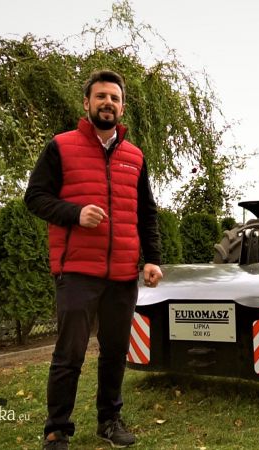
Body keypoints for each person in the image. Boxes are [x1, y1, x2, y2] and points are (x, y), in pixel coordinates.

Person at [25, 69, 163, 449]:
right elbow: (34, 197)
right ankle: (56, 429)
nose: (108, 103)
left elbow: (145, 212)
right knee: (69, 353)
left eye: (114, 98)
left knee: (115, 351)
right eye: (101, 96)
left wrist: (151, 258)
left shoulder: (135, 156)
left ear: (122, 106)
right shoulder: (61, 146)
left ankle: (109, 421)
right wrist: (74, 213)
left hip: (122, 272)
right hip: (77, 270)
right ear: (86, 103)